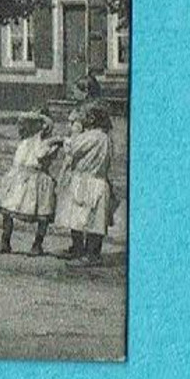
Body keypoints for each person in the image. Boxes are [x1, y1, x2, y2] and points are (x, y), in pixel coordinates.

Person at [54, 102, 115, 267]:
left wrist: (67, 137)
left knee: (92, 219)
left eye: (84, 117)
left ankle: (91, 254)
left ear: (92, 119)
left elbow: (73, 148)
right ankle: (78, 249)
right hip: (92, 180)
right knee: (80, 217)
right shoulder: (103, 136)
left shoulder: (93, 136)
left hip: (89, 180)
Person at [0, 110, 62, 255]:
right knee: (8, 209)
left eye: (28, 125)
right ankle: (5, 240)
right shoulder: (24, 142)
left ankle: (37, 243)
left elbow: (40, 155)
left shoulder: (47, 143)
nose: (23, 128)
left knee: (41, 213)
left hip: (37, 179)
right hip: (19, 177)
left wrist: (51, 141)